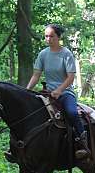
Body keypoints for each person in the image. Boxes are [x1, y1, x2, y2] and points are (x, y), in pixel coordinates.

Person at [27, 24, 89, 160]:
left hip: (65, 93)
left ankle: (83, 142)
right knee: (29, 111)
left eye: (51, 36)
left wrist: (59, 90)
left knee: (72, 113)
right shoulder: (43, 54)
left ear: (59, 37)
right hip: (47, 93)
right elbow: (36, 75)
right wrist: (27, 91)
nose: (48, 39)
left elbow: (70, 77)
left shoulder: (66, 54)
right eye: (46, 36)